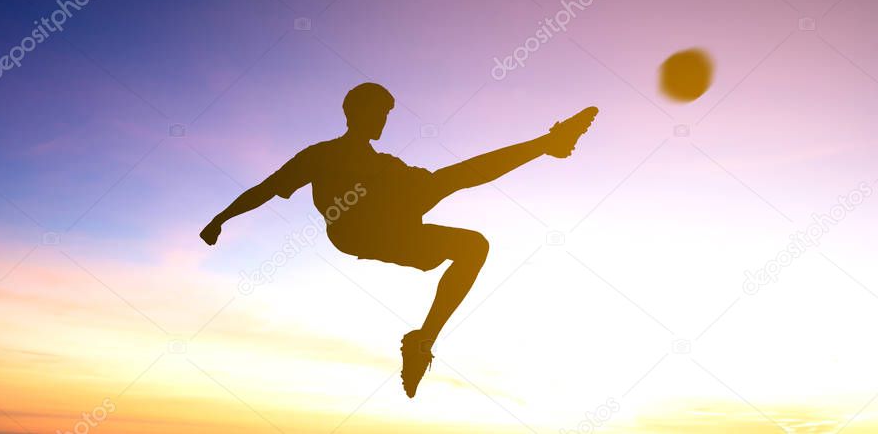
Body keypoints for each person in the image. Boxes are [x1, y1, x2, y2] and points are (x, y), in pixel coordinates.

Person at [200, 82, 597, 397]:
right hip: (355, 227)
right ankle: (548, 143)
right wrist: (222, 218)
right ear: (354, 112)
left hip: (390, 223)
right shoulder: (321, 155)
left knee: (472, 241)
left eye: (387, 114)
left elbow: (458, 176)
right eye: (379, 113)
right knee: (446, 181)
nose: (384, 120)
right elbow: (267, 188)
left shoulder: (384, 164)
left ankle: (422, 343)